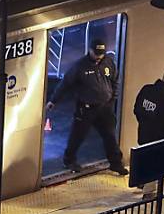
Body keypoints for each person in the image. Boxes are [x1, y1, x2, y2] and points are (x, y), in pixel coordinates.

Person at [46, 39, 128, 176]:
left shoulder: (108, 62)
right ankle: (69, 159)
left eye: (101, 54)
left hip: (104, 107)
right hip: (86, 108)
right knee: (77, 136)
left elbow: (115, 80)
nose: (99, 57)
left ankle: (116, 163)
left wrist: (112, 98)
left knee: (110, 136)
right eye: (96, 54)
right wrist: (53, 100)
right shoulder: (80, 67)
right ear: (90, 50)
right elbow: (65, 84)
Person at [133, 70, 164, 199]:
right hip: (158, 138)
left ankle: (140, 181)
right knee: (156, 163)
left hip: (143, 133)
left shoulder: (146, 90)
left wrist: (145, 122)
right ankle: (149, 192)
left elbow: (136, 109)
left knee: (144, 157)